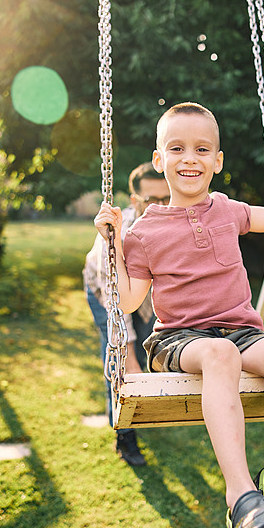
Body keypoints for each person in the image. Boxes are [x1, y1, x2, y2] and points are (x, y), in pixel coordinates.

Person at [94, 102, 264, 528]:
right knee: (219, 354)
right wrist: (112, 244)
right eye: (177, 148)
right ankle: (239, 497)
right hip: (178, 339)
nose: (189, 158)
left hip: (241, 331)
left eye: (201, 149)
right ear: (159, 160)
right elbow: (131, 300)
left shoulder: (229, 210)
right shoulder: (144, 230)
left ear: (217, 161)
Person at [84, 162, 170, 466]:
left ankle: (146, 410)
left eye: (166, 198)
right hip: (104, 294)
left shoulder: (175, 222)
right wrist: (128, 354)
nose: (161, 206)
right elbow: (115, 302)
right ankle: (124, 437)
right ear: (135, 201)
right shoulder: (115, 233)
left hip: (142, 297)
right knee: (120, 361)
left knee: (147, 355)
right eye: (152, 200)